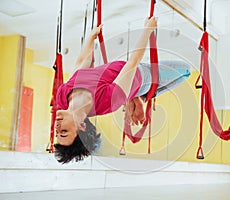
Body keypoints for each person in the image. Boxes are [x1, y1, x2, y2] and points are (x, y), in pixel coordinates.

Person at [54, 16, 190, 163]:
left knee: (128, 90)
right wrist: (148, 30)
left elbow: (82, 63)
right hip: (141, 75)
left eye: (57, 132)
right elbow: (132, 62)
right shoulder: (106, 102)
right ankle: (141, 97)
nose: (57, 126)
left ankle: (135, 97)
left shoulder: (62, 95)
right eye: (64, 131)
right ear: (82, 126)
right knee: (186, 70)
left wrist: (91, 37)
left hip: (125, 84)